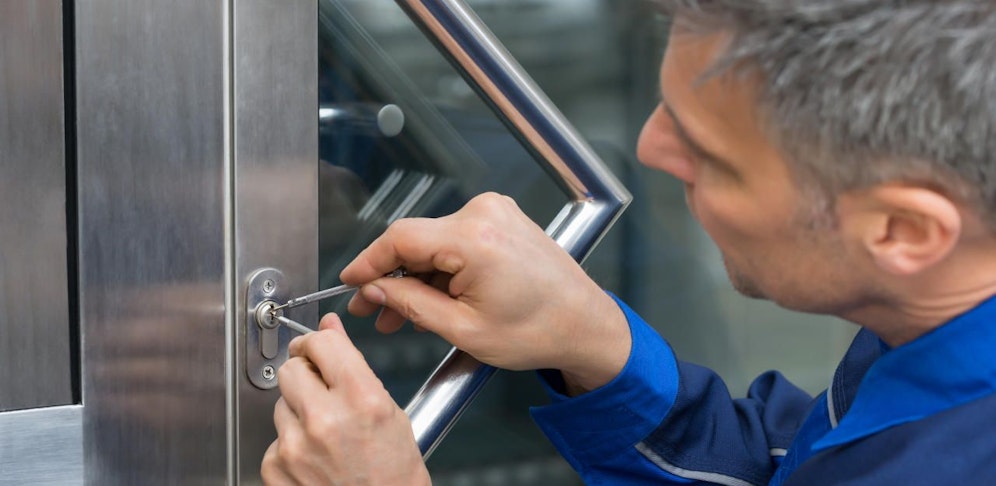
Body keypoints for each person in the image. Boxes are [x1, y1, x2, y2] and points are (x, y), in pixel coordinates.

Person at [261, 1, 996, 484]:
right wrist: (594, 343)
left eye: (711, 156)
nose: (645, 149)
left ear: (904, 230)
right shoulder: (934, 333)